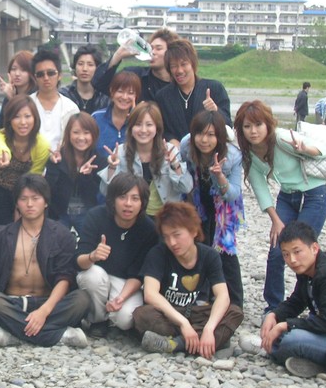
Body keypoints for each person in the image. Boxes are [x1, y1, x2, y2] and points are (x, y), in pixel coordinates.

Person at [0, 174, 91, 347]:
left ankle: (15, 334)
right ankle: (62, 335)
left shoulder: (61, 234)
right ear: (17, 203)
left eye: (35, 198)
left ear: (46, 202)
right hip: (14, 303)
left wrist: (43, 312)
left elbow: (64, 278)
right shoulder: (2, 234)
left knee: (82, 299)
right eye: (23, 199)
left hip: (50, 302)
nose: (29, 204)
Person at [233, 100, 326, 312]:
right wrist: (275, 221)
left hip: (314, 194)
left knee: (302, 249)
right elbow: (260, 188)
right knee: (277, 250)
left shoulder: (282, 138)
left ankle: (316, 302)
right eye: (247, 126)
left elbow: (323, 151)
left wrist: (305, 148)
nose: (253, 131)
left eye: (258, 124)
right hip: (287, 196)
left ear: (268, 124)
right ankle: (273, 307)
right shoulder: (249, 153)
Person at [133, 202, 244, 358]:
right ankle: (213, 341)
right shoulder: (158, 254)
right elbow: (150, 294)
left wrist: (209, 328)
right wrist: (183, 323)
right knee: (142, 314)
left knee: (234, 312)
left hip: (200, 312)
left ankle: (176, 344)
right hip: (171, 314)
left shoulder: (209, 255)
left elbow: (222, 295)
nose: (172, 243)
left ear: (193, 231)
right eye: (166, 237)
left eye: (177, 235)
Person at [76, 173, 158, 336]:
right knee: (92, 275)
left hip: (126, 281)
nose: (128, 204)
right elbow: (79, 261)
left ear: (142, 203)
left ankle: (112, 316)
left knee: (125, 319)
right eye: (122, 197)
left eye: (135, 198)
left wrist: (121, 298)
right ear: (112, 199)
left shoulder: (148, 229)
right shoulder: (96, 216)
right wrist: (93, 256)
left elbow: (138, 274)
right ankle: (98, 320)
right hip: (98, 274)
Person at [180, 110, 245, 308]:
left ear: (219, 137)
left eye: (211, 135)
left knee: (224, 249)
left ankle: (235, 302)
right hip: (198, 199)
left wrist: (219, 176)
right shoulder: (187, 146)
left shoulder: (232, 156)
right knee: (201, 244)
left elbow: (232, 193)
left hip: (223, 205)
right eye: (200, 134)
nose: (204, 140)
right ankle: (204, 296)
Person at [258, 221, 326, 378]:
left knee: (291, 340)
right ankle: (303, 359)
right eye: (286, 254)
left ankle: (319, 366)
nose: (292, 260)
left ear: (314, 248)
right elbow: (297, 301)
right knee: (272, 324)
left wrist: (286, 325)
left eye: (297, 252)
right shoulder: (308, 270)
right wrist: (274, 315)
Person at [99, 102, 192, 217]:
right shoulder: (121, 151)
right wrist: (112, 167)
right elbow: (105, 191)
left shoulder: (169, 150)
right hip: (133, 218)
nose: (143, 130)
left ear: (157, 128)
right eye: (138, 124)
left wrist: (175, 164)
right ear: (131, 128)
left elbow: (186, 187)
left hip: (166, 217)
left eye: (149, 125)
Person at [154, 39, 231, 146]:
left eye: (184, 64)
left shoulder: (215, 88)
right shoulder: (163, 96)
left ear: (193, 64)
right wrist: (171, 140)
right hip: (176, 152)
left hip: (209, 151)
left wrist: (215, 110)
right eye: (174, 66)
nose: (179, 70)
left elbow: (229, 125)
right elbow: (161, 129)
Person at [0, 95, 50, 227]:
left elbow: (34, 177)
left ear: (35, 118)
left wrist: (21, 206)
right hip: (0, 192)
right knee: (1, 232)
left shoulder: (42, 145)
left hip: (27, 194)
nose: (23, 122)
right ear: (9, 119)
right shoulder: (0, 135)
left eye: (27, 116)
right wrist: (5, 154)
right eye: (17, 117)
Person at [45, 112, 106, 233]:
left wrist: (85, 177)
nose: (81, 138)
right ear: (68, 134)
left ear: (93, 135)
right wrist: (54, 166)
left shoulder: (99, 160)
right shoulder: (58, 156)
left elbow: (94, 197)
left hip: (87, 214)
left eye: (86, 133)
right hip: (60, 214)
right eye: (76, 132)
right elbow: (48, 189)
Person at [93, 28, 179, 102]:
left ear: (171, 52)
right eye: (151, 48)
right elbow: (99, 83)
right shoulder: (136, 75)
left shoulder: (179, 83)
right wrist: (118, 56)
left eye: (158, 48)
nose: (152, 52)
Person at [29, 49, 79, 150]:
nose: (46, 78)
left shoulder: (71, 108)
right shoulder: (26, 105)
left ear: (59, 75)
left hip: (62, 159)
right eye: (40, 74)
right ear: (35, 78)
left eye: (51, 73)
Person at [91, 71, 140, 154]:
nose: (125, 97)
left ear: (136, 95)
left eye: (130, 93)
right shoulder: (96, 118)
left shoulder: (140, 120)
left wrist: (135, 120)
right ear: (112, 92)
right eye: (120, 91)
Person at [59, 45, 109, 114]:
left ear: (98, 68)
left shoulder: (105, 98)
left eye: (90, 64)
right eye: (80, 64)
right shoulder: (63, 95)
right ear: (74, 67)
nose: (85, 69)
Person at [0, 50, 37, 129]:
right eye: (13, 69)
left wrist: (12, 99)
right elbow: (1, 127)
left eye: (23, 70)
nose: (17, 74)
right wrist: (10, 98)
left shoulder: (36, 96)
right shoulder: (8, 96)